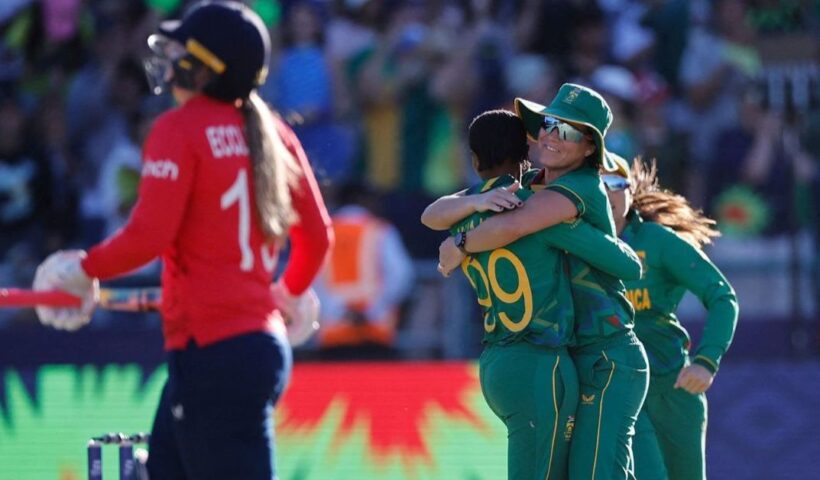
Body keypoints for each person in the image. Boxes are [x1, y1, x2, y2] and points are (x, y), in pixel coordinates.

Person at [31, 3, 334, 479]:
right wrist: (287, 294)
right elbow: (316, 238)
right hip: (251, 349)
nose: (166, 61)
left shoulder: (179, 128)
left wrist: (83, 268)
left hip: (213, 354)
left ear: (204, 67)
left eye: (176, 52)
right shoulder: (276, 134)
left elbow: (148, 237)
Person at [435, 84, 649, 479]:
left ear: (589, 148)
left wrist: (460, 243)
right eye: (550, 124)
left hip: (607, 353)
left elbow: (514, 225)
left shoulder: (579, 185)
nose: (551, 135)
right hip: (569, 353)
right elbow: (435, 212)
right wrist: (470, 207)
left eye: (568, 131)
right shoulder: (533, 181)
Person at [603, 154, 739, 480]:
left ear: (630, 190)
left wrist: (706, 361)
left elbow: (722, 296)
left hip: (673, 388)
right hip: (617, 390)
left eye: (617, 183)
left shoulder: (657, 241)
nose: (609, 192)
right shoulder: (576, 243)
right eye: (600, 183)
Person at [313, 180, 414, 361]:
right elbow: (401, 275)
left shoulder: (323, 234)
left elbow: (312, 280)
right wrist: (372, 309)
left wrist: (336, 311)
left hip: (334, 334)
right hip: (374, 331)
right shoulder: (380, 230)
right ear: (364, 200)